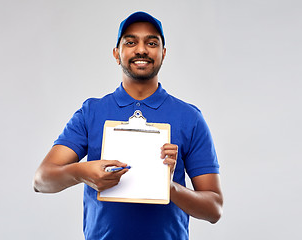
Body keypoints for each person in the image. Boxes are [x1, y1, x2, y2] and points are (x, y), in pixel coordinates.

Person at [33, 11, 223, 240]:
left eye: (151, 43)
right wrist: (81, 172)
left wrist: (169, 188)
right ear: (116, 53)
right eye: (131, 42)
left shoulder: (189, 117)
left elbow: (214, 209)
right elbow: (42, 180)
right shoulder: (91, 112)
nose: (141, 50)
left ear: (163, 53)